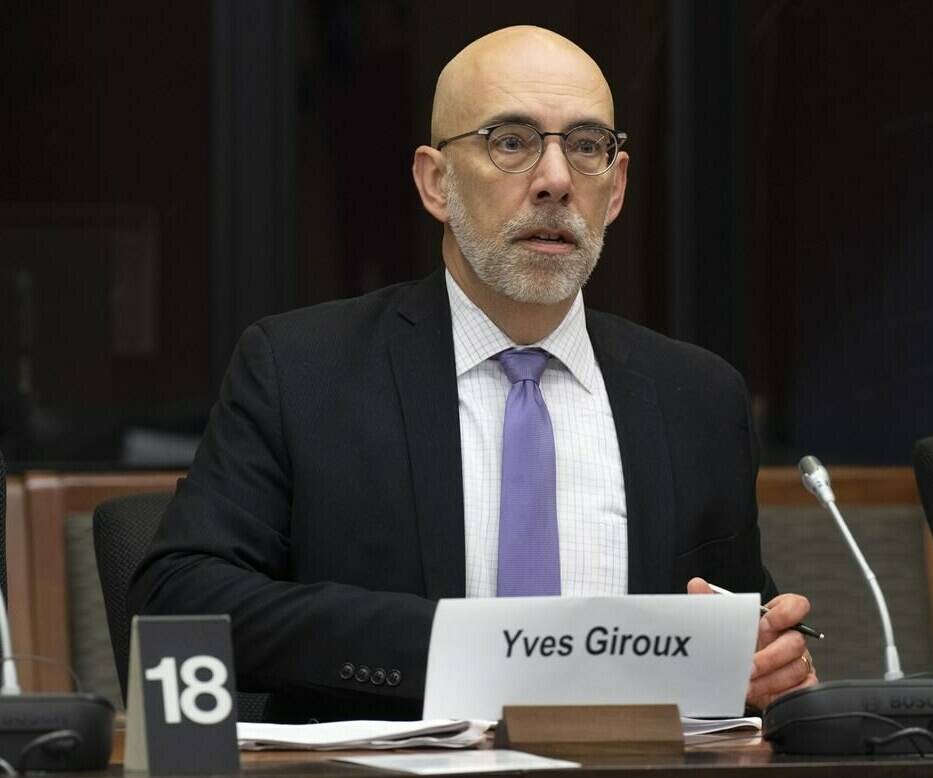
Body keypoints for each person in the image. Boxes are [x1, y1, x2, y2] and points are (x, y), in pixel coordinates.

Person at [128, 25, 817, 722]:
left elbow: (737, 631)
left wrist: (764, 661)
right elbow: (180, 595)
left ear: (614, 190)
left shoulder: (697, 397)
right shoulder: (302, 370)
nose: (554, 181)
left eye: (585, 147)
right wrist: (462, 648)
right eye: (511, 142)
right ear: (436, 182)